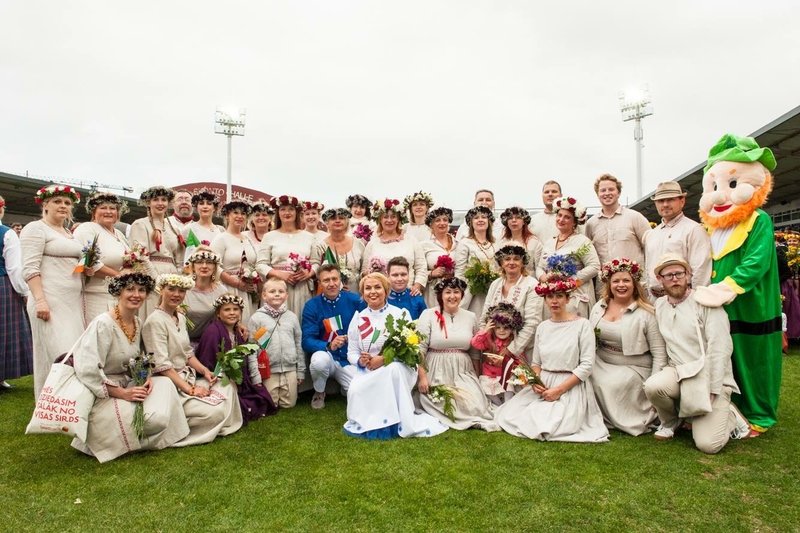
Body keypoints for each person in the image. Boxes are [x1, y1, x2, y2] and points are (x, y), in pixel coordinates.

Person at [71, 272, 189, 462]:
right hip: (103, 392)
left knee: (165, 385)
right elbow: (87, 369)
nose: (136, 294)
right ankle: (111, 437)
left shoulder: (137, 321)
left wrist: (146, 377)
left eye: (142, 290)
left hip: (130, 384)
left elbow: (141, 359)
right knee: (155, 420)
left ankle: (140, 436)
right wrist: (122, 393)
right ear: (118, 292)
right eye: (130, 289)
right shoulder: (103, 323)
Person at [644, 254, 746, 454]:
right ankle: (671, 422)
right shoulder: (660, 305)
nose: (675, 279)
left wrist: (714, 389)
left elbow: (721, 348)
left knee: (708, 445)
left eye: (679, 273)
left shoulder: (706, 302)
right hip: (678, 372)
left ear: (688, 275)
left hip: (707, 376)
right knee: (653, 386)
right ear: (660, 280)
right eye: (669, 275)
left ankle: (731, 416)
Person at [494, 274, 609, 443]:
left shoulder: (582, 325)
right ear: (545, 300)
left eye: (559, 296)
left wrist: (559, 390)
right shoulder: (543, 327)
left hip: (570, 384)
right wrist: (536, 382)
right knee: (512, 415)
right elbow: (536, 363)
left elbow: (586, 366)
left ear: (568, 299)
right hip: (545, 381)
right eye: (550, 297)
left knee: (550, 424)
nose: (554, 301)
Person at [342, 272, 448, 439]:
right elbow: (351, 352)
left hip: (400, 365)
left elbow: (410, 348)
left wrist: (383, 359)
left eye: (378, 287)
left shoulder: (400, 314)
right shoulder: (358, 319)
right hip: (368, 368)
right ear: (362, 294)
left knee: (392, 370)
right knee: (355, 389)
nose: (373, 291)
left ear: (386, 290)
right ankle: (370, 422)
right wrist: (360, 361)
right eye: (368, 288)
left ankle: (395, 422)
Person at [144, 273, 243, 446]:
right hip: (169, 384)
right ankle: (176, 423)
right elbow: (161, 366)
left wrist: (205, 371)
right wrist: (191, 390)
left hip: (187, 376)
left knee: (227, 385)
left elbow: (187, 353)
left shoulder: (180, 317)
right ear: (161, 290)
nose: (177, 294)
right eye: (171, 289)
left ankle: (199, 416)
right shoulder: (154, 321)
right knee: (216, 412)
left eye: (181, 291)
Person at [589, 258, 666, 436]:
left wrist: (653, 385)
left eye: (626, 280)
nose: (621, 285)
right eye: (616, 281)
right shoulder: (599, 307)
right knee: (583, 378)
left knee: (610, 384)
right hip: (601, 360)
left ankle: (628, 416)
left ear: (635, 284)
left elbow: (659, 353)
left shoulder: (646, 313)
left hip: (634, 366)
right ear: (609, 284)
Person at [20, 184, 85, 397]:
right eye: (58, 201)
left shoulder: (69, 234)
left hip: (73, 302)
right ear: (45, 204)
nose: (63, 206)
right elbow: (30, 268)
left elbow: (79, 267)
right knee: (59, 353)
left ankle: (64, 403)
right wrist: (40, 300)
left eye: (67, 203)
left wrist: (89, 264)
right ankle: (51, 403)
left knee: (74, 352)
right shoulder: (35, 228)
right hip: (49, 300)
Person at [416, 277, 498, 431]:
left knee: (475, 405)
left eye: (456, 292)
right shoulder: (428, 314)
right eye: (447, 292)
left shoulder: (471, 316)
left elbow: (474, 351)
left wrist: (477, 377)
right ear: (440, 295)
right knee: (445, 402)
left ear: (462, 295)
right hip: (436, 369)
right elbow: (419, 348)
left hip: (462, 370)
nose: (452, 296)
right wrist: (422, 378)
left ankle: (474, 416)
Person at [195, 293, 277, 422]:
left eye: (235, 309)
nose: (232, 313)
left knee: (261, 398)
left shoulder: (238, 331)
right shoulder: (212, 331)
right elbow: (207, 359)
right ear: (218, 313)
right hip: (217, 376)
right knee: (242, 405)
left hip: (238, 376)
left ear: (241, 312)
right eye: (227, 310)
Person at [302, 264, 365, 409]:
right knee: (318, 361)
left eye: (334, 279)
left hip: (348, 358)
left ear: (340, 280)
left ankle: (344, 386)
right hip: (327, 355)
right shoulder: (312, 305)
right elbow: (307, 341)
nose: (331, 284)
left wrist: (353, 339)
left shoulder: (355, 301)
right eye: (326, 280)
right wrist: (328, 345)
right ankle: (319, 391)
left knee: (360, 390)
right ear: (319, 283)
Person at [585, 174, 651, 298]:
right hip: (605, 288)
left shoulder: (634, 217)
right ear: (597, 194)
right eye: (603, 190)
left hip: (634, 286)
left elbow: (651, 248)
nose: (607, 193)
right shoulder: (591, 224)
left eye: (611, 189)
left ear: (619, 192)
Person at [644, 181, 712, 298]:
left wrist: (695, 301)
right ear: (655, 204)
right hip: (656, 301)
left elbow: (701, 271)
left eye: (670, 199)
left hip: (684, 298)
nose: (665, 204)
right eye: (660, 201)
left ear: (682, 201)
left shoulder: (694, 229)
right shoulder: (651, 234)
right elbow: (648, 271)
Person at [536, 196, 600, 318]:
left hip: (575, 296)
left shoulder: (582, 241)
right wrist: (544, 277)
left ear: (574, 222)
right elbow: (540, 267)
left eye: (567, 217)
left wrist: (572, 280)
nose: (561, 219)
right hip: (552, 296)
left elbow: (595, 266)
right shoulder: (549, 242)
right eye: (559, 215)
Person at [256, 195, 318, 317]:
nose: (287, 213)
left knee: (301, 319)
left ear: (297, 212)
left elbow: (316, 263)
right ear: (278, 213)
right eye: (283, 209)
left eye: (291, 209)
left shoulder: (309, 237)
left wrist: (309, 273)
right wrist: (280, 275)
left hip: (301, 287)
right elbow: (260, 264)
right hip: (277, 287)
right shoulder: (269, 236)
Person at [247, 278, 305, 408]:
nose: (277, 294)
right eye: (272, 291)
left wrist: (300, 371)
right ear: (264, 295)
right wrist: (256, 376)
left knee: (289, 404)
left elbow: (298, 343)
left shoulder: (292, 317)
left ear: (286, 295)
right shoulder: (257, 318)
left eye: (281, 291)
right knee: (270, 404)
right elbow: (251, 349)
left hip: (289, 367)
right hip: (268, 369)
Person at [73, 192, 132, 322]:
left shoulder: (119, 234)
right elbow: (88, 261)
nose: (108, 212)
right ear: (94, 211)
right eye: (103, 208)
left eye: (112, 208)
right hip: (95, 295)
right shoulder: (87, 229)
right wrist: (120, 276)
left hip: (118, 294)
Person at [481, 245, 542, 358]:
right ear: (501, 263)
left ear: (523, 262)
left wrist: (511, 350)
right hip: (493, 350)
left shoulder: (531, 285)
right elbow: (484, 317)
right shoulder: (496, 284)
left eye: (516, 259)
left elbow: (533, 323)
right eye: (507, 259)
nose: (512, 262)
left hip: (521, 351)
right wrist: (488, 343)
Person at [129, 186, 182, 318]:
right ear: (148, 202)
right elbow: (139, 256)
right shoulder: (140, 224)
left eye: (163, 200)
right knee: (153, 313)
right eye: (155, 200)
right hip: (151, 274)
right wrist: (156, 280)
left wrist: (179, 279)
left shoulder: (174, 228)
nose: (160, 203)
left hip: (172, 275)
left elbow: (179, 257)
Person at [361, 198, 427, 293]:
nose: (389, 220)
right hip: (381, 294)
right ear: (380, 219)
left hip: (408, 292)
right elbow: (364, 271)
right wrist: (371, 272)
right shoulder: (373, 243)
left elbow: (421, 267)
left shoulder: (411, 240)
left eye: (393, 217)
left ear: (398, 219)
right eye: (385, 217)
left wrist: (417, 286)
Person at [0, 195, 32, 389]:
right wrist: (24, 291)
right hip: (2, 286)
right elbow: (14, 268)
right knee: (3, 332)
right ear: (2, 210)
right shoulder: (7, 233)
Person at [212, 200, 260, 319]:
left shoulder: (248, 239)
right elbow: (214, 266)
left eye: (243, 213)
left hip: (248, 289)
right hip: (229, 289)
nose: (239, 216)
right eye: (235, 213)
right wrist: (236, 283)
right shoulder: (220, 239)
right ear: (227, 216)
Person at [472, 303, 524, 405]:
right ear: (493, 328)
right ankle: (499, 406)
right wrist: (485, 330)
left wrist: (512, 366)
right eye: (498, 327)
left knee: (508, 385)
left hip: (505, 375)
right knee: (485, 387)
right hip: (488, 375)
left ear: (512, 329)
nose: (501, 331)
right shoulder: (488, 339)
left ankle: (507, 405)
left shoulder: (513, 344)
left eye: (505, 328)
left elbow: (520, 361)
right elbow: (475, 343)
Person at [454, 205, 497, 316]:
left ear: (489, 221)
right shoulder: (465, 243)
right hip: (472, 292)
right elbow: (460, 271)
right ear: (471, 222)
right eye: (476, 218)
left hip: (493, 290)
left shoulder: (495, 243)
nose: (480, 220)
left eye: (484, 217)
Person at [183, 247, 229, 343]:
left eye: (209, 262)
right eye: (199, 262)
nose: (204, 266)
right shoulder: (182, 287)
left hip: (210, 343)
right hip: (183, 341)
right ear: (193, 266)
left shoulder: (221, 291)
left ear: (215, 267)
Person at [315, 207, 365, 292]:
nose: (337, 221)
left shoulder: (358, 244)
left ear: (347, 222)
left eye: (341, 218)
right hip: (330, 293)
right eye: (333, 218)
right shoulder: (320, 246)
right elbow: (316, 272)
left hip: (356, 293)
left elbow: (364, 269)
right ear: (327, 223)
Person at [421, 207, 458, 308]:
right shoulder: (424, 245)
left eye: (445, 220)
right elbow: (418, 270)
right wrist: (432, 273)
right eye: (437, 220)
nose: (442, 223)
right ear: (431, 225)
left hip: (454, 291)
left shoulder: (458, 244)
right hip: (433, 292)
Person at [498, 206, 543, 274]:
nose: (514, 220)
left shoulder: (534, 242)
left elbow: (539, 268)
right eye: (510, 218)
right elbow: (499, 267)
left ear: (524, 221)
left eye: (518, 218)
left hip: (530, 282)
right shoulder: (502, 243)